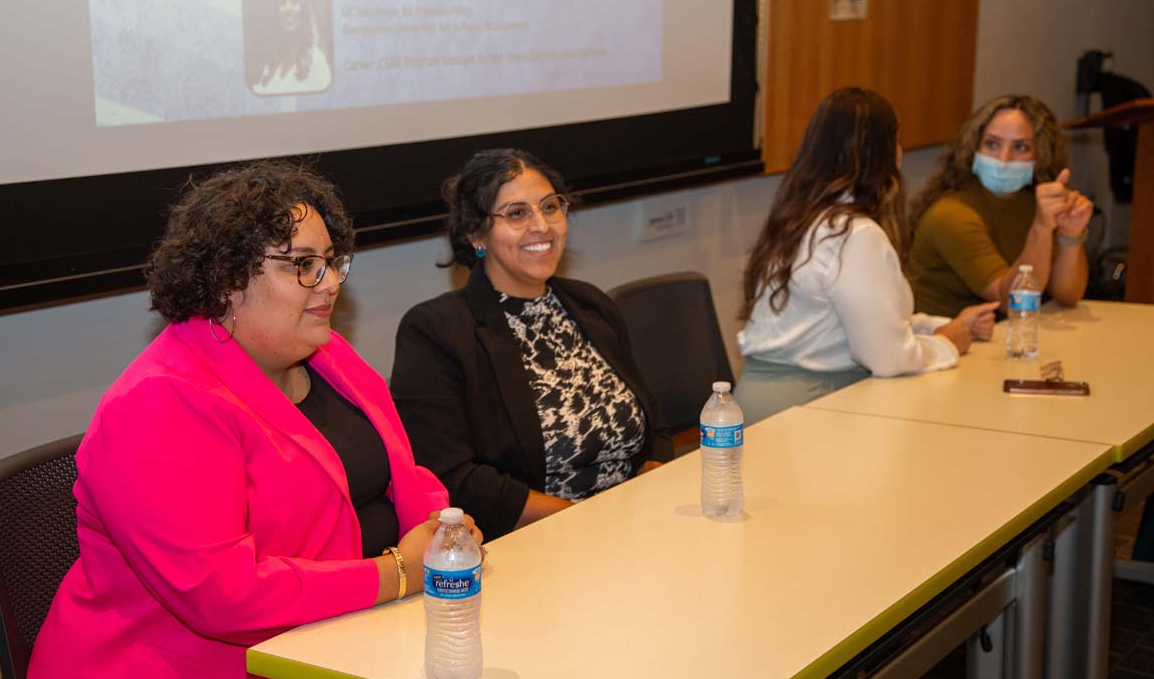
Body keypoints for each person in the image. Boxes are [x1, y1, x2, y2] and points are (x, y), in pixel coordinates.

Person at [25, 162, 479, 679]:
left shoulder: (326, 353)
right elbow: (224, 595)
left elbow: (403, 474)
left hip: (343, 640)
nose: (332, 281)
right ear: (225, 280)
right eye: (304, 266)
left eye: (331, 261)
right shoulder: (158, 404)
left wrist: (444, 532)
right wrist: (400, 573)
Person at [391, 149, 673, 542]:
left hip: (636, 524)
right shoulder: (436, 331)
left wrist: (656, 480)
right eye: (517, 213)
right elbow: (454, 476)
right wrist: (588, 519)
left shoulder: (591, 304)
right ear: (476, 234)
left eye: (550, 207)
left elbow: (652, 424)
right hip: (535, 544)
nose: (541, 225)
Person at [734, 88, 998, 422]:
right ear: (882, 155)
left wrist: (944, 326)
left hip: (768, 405)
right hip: (806, 412)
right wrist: (947, 342)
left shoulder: (799, 219)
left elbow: (859, 324)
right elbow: (887, 358)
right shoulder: (855, 235)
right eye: (897, 143)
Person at [905, 95, 1092, 318]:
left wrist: (1070, 233)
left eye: (1020, 147)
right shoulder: (950, 214)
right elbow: (1013, 302)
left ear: (1041, 156)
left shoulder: (1032, 201)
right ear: (973, 148)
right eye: (992, 144)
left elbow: (1067, 295)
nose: (1003, 159)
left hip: (1000, 335)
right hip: (943, 342)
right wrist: (1041, 228)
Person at [252, 0, 333, 95]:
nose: (288, 8)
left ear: (304, 8)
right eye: (282, 1)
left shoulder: (317, 62)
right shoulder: (271, 65)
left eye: (295, 0)